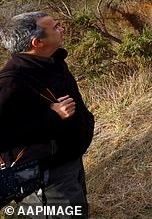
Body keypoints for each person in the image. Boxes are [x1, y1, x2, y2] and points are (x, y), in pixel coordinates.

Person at [0, 12, 94, 217]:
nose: (61, 29)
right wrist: (52, 116)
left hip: (68, 161)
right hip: (46, 177)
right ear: (37, 42)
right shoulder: (11, 83)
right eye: (55, 27)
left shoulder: (51, 60)